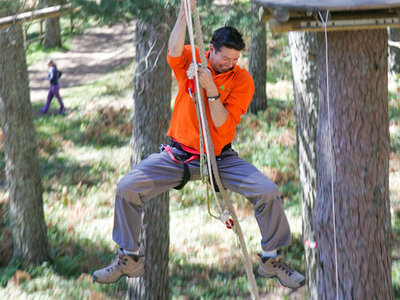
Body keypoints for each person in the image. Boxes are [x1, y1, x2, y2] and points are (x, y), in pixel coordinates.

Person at [92, 0, 305, 289]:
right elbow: (173, 51)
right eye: (224, 58)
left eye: (234, 59)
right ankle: (128, 258)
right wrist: (184, 14)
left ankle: (272, 260)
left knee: (267, 191)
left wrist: (212, 89)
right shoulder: (194, 60)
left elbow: (221, 123)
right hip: (178, 155)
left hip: (219, 158)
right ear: (211, 50)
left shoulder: (242, 80)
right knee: (127, 188)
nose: (229, 64)